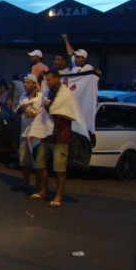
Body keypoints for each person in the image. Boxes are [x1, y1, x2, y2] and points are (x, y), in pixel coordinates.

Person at [30, 69, 78, 207]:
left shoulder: (66, 94)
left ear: (57, 78)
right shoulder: (47, 93)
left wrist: (53, 108)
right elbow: (42, 113)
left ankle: (58, 196)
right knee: (40, 164)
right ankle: (44, 190)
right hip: (46, 135)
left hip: (60, 136)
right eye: (46, 80)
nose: (48, 82)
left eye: (49, 80)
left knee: (59, 168)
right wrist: (36, 129)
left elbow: (70, 115)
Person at [15, 74, 52, 190]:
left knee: (37, 160)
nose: (25, 85)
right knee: (24, 159)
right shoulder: (23, 96)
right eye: (24, 83)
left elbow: (47, 113)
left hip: (36, 133)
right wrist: (23, 107)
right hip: (24, 132)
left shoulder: (41, 97)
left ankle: (38, 184)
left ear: (35, 84)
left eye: (28, 83)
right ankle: (25, 181)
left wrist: (34, 114)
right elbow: (18, 112)